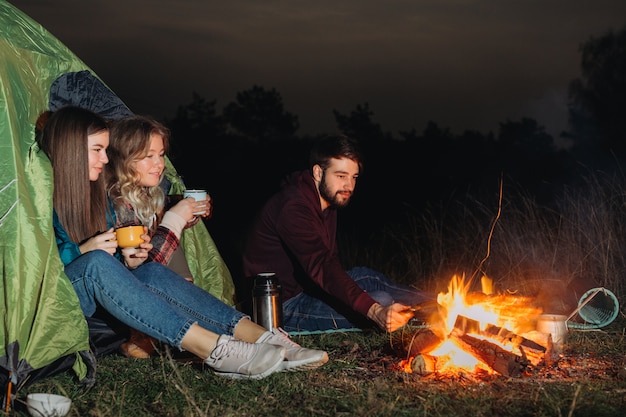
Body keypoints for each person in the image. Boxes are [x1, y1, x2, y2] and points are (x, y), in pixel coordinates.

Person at [37, 106, 328, 379]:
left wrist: (127, 260)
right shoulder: (40, 194)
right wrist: (83, 251)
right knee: (95, 264)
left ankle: (265, 337)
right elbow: (34, 269)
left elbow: (112, 268)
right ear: (71, 152)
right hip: (54, 300)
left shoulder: (95, 196)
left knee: (148, 271)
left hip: (91, 296)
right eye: (97, 150)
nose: (105, 158)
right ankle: (216, 349)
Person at [242, 134, 435, 333]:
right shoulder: (293, 207)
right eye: (341, 176)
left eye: (354, 177)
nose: (349, 186)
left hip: (310, 289)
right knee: (380, 300)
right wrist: (375, 310)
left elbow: (330, 264)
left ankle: (444, 305)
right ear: (318, 172)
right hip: (282, 307)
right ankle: (415, 318)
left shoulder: (326, 200)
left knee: (369, 277)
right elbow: (323, 266)